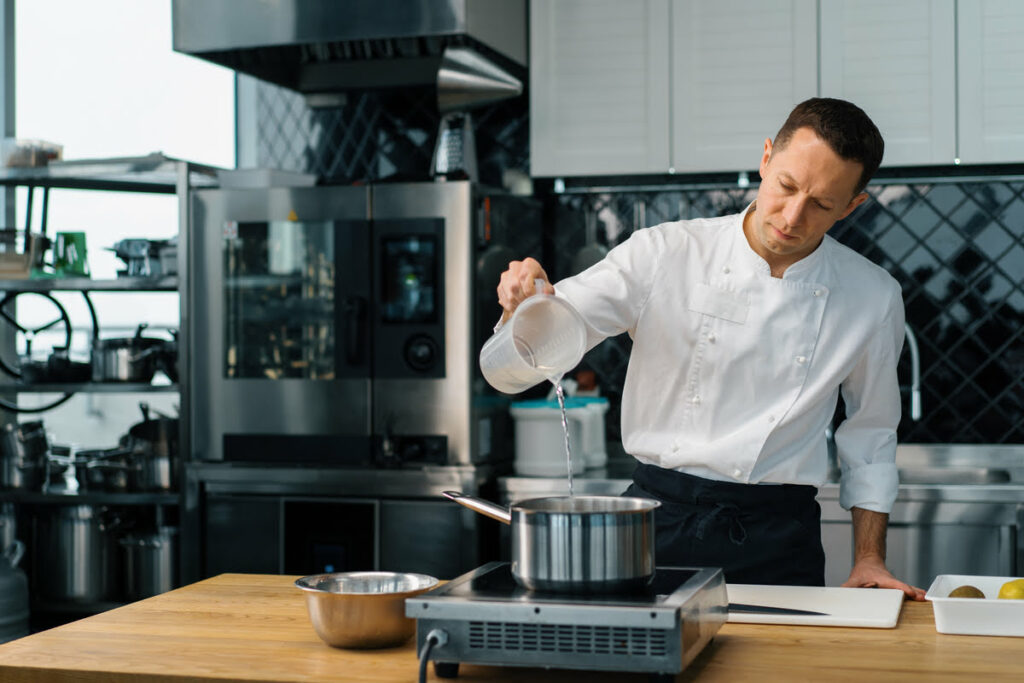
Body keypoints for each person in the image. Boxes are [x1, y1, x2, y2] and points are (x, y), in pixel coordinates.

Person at [497, 98, 925, 599]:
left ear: (852, 205)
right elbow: (545, 340)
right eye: (786, 186)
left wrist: (870, 557)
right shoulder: (665, 252)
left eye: (822, 204)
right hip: (656, 527)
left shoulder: (873, 296)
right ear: (766, 159)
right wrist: (523, 304)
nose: (792, 216)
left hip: (779, 539)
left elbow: (870, 437)